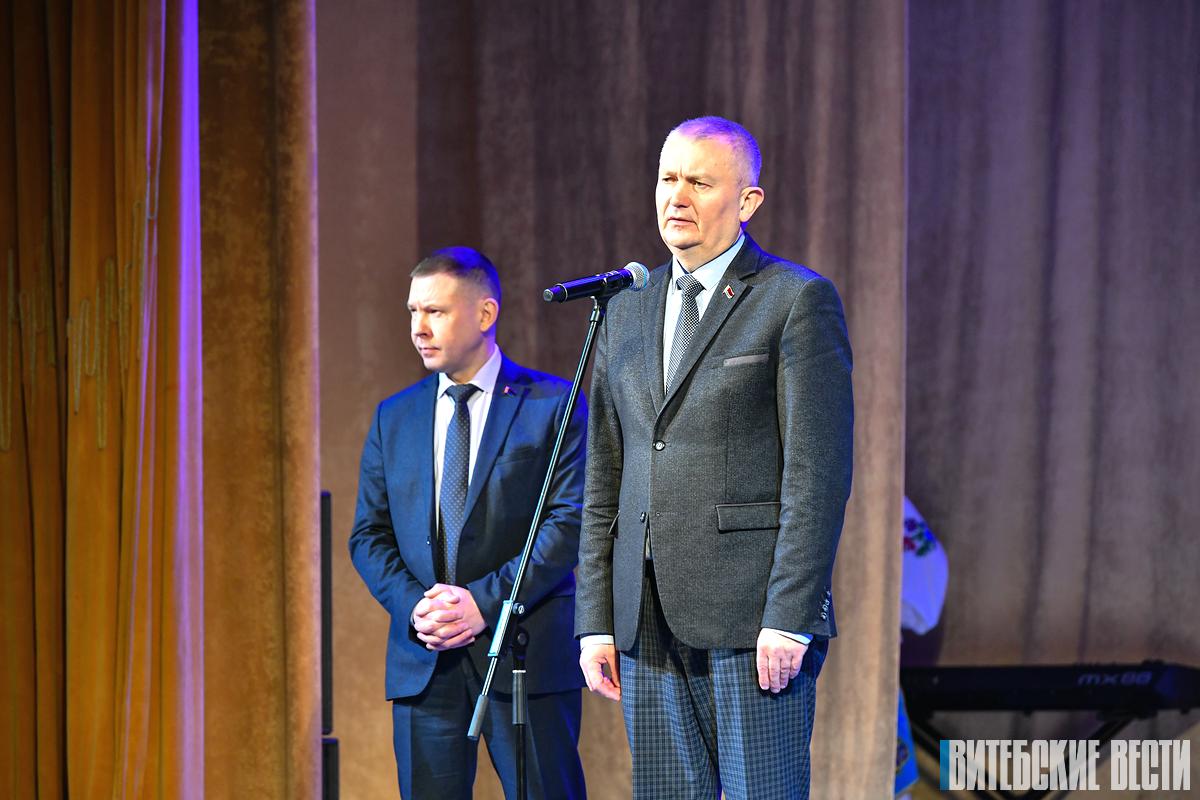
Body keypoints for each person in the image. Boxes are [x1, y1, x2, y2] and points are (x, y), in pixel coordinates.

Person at [575, 116, 854, 800]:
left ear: (747, 200)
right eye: (668, 179)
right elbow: (605, 475)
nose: (677, 196)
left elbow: (818, 475)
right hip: (645, 614)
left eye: (699, 182)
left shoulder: (793, 300)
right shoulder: (625, 309)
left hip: (751, 615)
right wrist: (595, 619)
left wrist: (790, 614)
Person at [350, 247, 587, 799]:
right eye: (413, 312)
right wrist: (417, 606)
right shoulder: (394, 416)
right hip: (425, 657)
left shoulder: (552, 403)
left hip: (525, 655)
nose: (419, 328)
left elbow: (569, 522)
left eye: (435, 311)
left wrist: (483, 603)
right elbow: (368, 535)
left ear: (484, 314)